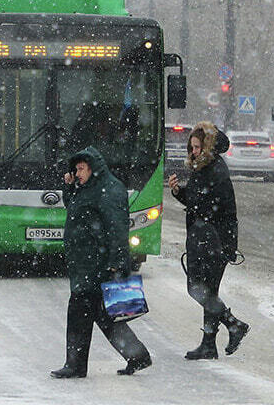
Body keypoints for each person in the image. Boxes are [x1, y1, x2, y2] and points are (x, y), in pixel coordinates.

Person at [51, 146, 152, 378]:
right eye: (75, 170)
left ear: (93, 167)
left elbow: (117, 228)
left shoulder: (109, 190)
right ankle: (137, 355)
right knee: (103, 314)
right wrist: (69, 187)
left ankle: (75, 365)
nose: (77, 174)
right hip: (86, 263)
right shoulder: (89, 188)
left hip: (95, 263)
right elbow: (75, 208)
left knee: (78, 311)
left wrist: (117, 263)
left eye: (81, 169)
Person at [167, 122, 250, 360]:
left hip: (213, 240)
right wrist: (178, 192)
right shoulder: (206, 167)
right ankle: (209, 344)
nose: (192, 152)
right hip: (211, 238)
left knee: (197, 289)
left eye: (196, 147)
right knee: (208, 291)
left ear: (208, 147)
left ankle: (234, 325)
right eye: (191, 147)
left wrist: (185, 196)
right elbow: (199, 203)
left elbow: (206, 208)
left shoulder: (213, 169)